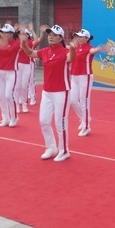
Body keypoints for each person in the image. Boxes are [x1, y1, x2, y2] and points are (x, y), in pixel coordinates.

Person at [20, 24, 75, 161]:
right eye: (49, 34)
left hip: (62, 91)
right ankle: (51, 147)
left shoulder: (64, 52)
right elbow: (30, 53)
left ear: (61, 38)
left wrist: (73, 48)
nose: (50, 37)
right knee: (43, 121)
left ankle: (64, 150)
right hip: (47, 92)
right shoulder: (45, 51)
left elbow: (71, 58)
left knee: (60, 122)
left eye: (54, 35)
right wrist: (23, 43)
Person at [69, 28, 108, 137]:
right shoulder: (77, 47)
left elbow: (93, 51)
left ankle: (86, 126)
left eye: (81, 37)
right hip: (74, 76)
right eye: (77, 36)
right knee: (72, 100)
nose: (79, 38)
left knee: (84, 101)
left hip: (85, 77)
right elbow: (69, 49)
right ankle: (84, 118)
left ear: (87, 38)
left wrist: (100, 48)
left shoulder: (88, 48)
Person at [0, 24, 21, 127]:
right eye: (3, 32)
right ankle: (5, 117)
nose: (4, 34)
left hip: (11, 72)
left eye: (6, 32)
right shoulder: (0, 42)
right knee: (1, 96)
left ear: (11, 33)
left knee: (9, 95)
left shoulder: (17, 43)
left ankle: (14, 117)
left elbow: (24, 44)